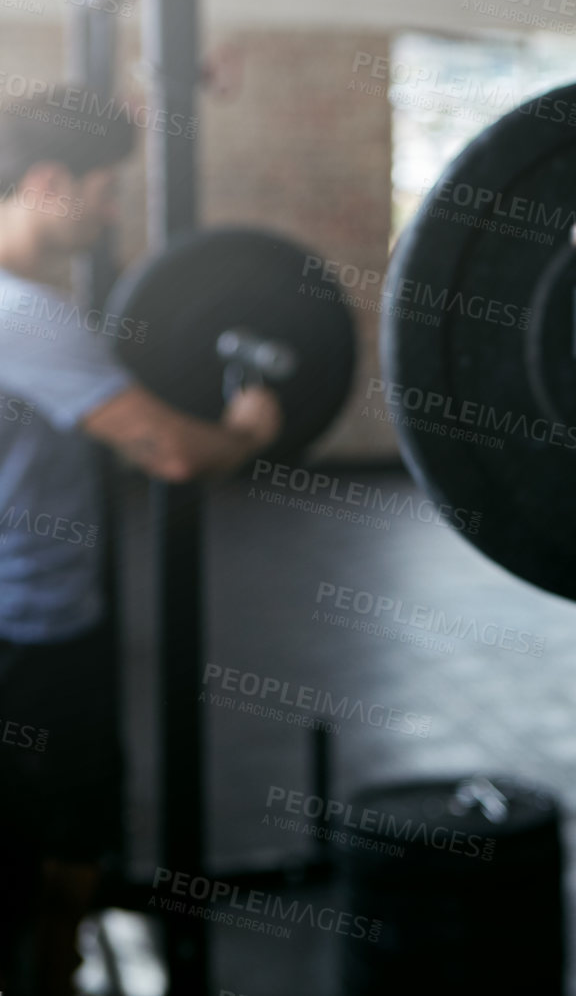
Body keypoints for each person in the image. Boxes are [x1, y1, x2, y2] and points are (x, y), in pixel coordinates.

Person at [0, 95, 281, 995]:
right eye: (102, 190)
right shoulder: (26, 316)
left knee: (60, 835)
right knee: (60, 835)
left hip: (32, 621)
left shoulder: (34, 307)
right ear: (48, 185)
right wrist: (246, 427)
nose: (111, 211)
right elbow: (167, 451)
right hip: (30, 638)